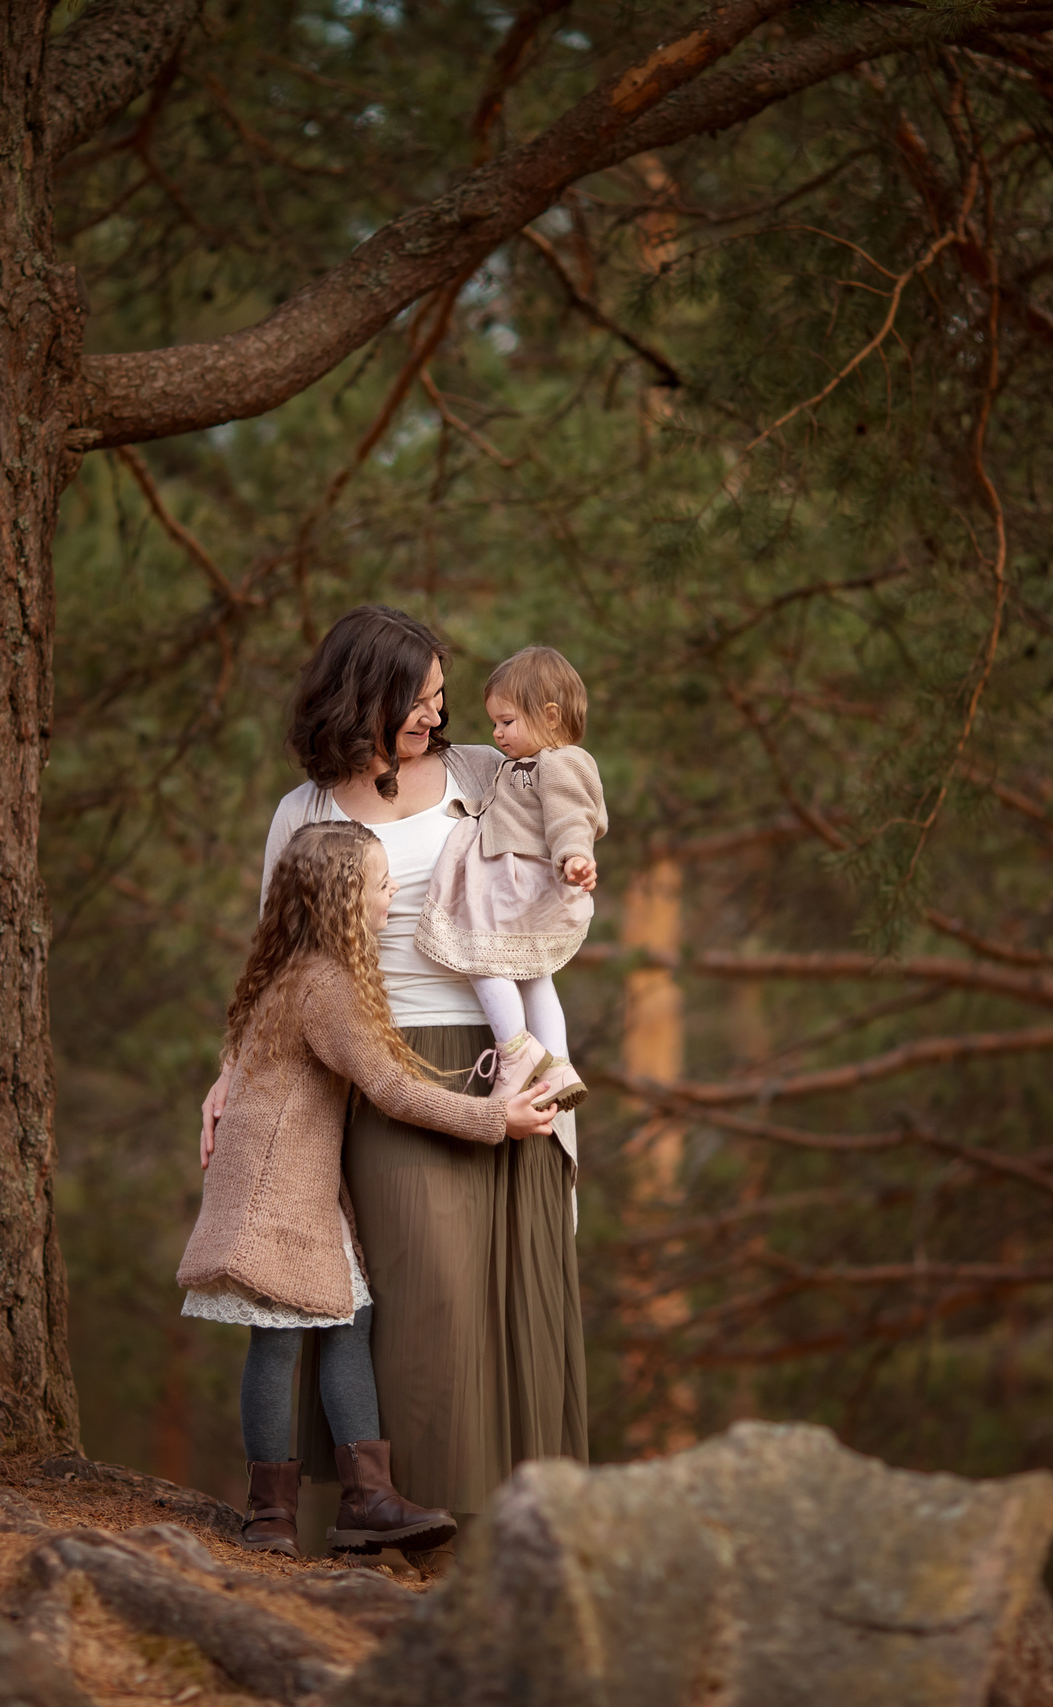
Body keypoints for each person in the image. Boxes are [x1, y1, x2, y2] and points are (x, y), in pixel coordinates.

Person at [199, 605, 589, 1569]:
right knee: (409, 1303)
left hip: (501, 1050)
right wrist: (228, 1075)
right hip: (374, 1064)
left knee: (501, 1299)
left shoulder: (478, 775)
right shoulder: (306, 810)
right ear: (359, 693)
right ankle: (390, 1524)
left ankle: (508, 1539)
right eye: (415, 700)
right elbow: (278, 953)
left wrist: (574, 866)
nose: (433, 716)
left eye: (442, 699)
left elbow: (567, 812)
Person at [177, 819, 559, 1558]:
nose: (393, 896)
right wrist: (493, 1118)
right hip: (274, 1192)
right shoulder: (324, 984)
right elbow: (390, 1088)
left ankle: (367, 1498)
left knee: (345, 1324)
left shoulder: (293, 972)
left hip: (297, 1188)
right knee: (281, 1341)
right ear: (347, 899)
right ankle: (270, 1513)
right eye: (384, 884)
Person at [416, 645, 606, 1112]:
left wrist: (575, 856)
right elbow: (508, 810)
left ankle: (517, 1049)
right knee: (534, 975)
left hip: (520, 881)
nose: (496, 733)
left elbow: (570, 819)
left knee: (481, 956)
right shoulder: (523, 765)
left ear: (551, 716)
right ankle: (557, 1064)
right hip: (520, 880)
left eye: (506, 722)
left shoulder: (559, 763)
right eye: (494, 723)